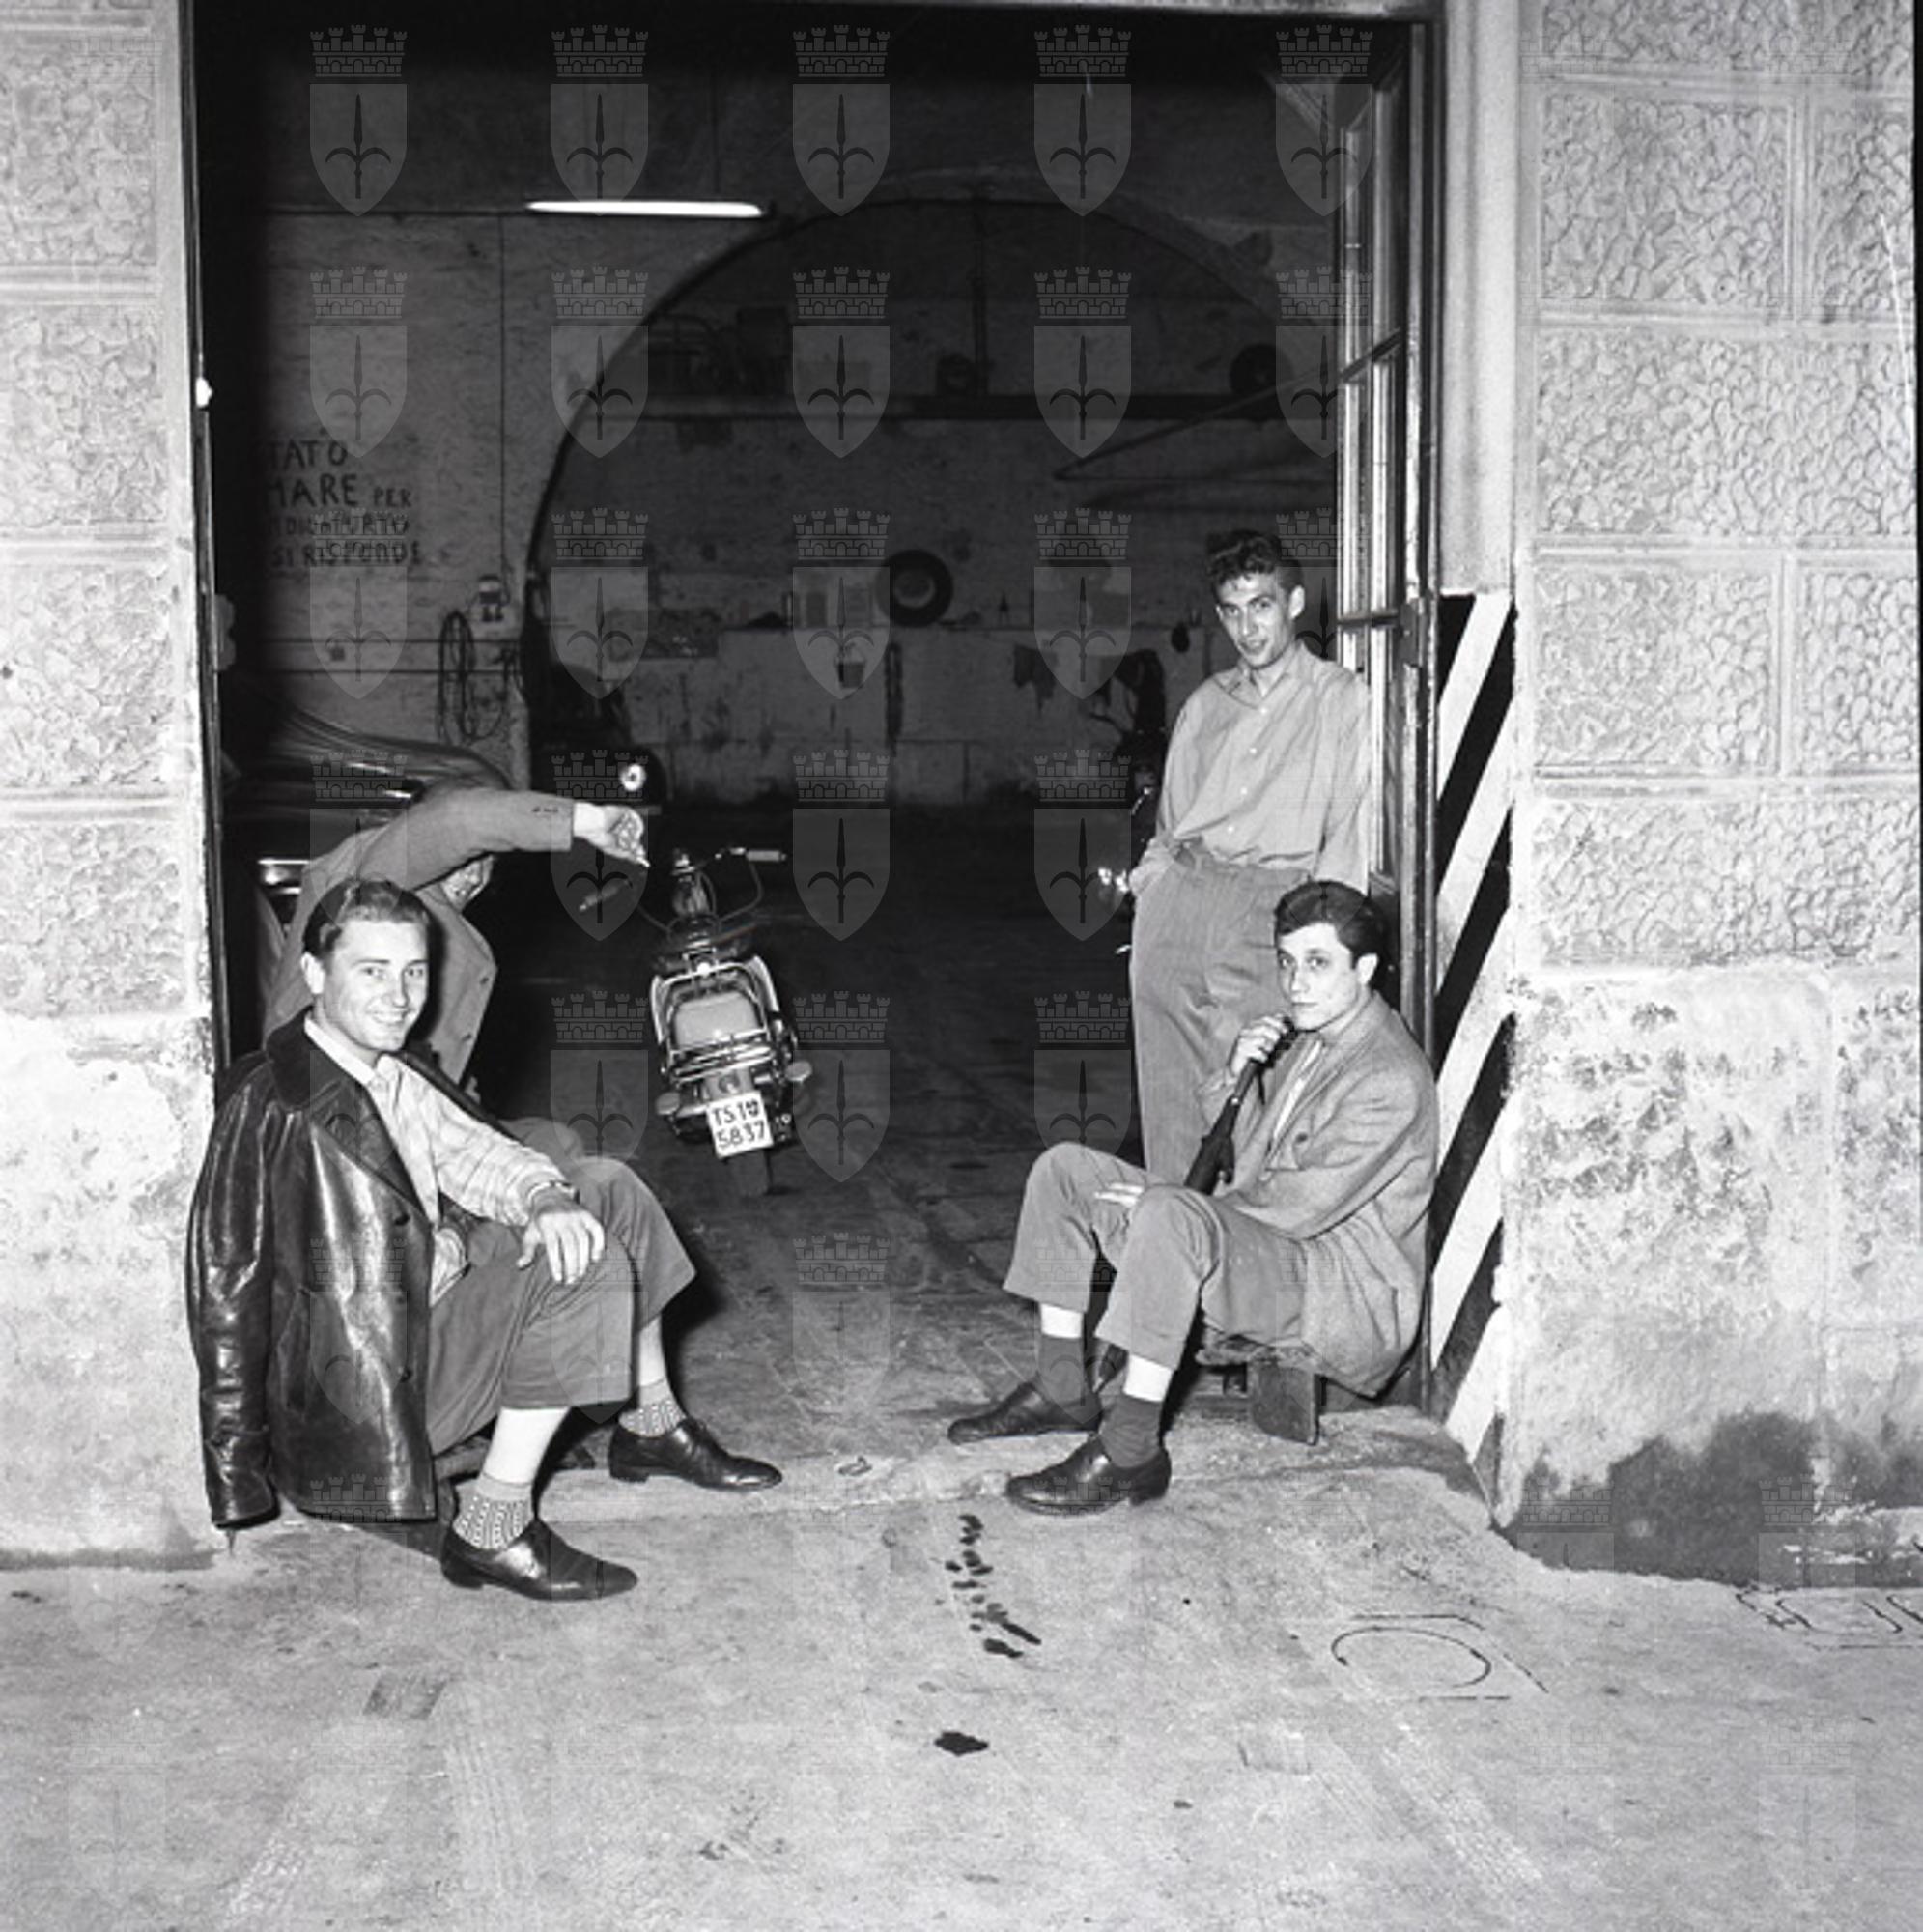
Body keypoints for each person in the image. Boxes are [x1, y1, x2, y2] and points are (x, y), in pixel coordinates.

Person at [188, 878, 779, 1604]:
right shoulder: (272, 1104)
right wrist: (236, 1472)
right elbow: (225, 1289)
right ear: (314, 973)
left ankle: (651, 1425)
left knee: (605, 1190)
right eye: (371, 971)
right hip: (373, 1393)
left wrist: (543, 1197)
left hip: (428, 1326)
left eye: (413, 972)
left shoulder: (390, 1068)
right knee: (586, 1266)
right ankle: (495, 1525)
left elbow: (478, 1153)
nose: (399, 996)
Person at [949, 881, 1435, 1516]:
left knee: (1169, 1214)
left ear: (1364, 969)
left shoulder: (1387, 1076)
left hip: (1335, 1288)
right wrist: (1236, 1077)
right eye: (1287, 962)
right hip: (1280, 1247)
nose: (1295, 984)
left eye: (1318, 963)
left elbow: (1295, 1209)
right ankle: (1064, 1386)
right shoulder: (1319, 1034)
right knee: (1065, 1171)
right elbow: (1256, 1164)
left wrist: (1168, 1208)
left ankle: (1131, 1450)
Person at [1127, 530, 1370, 1179]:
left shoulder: (1339, 698)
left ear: (1293, 603)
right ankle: (1177, 1219)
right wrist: (1153, 888)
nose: (1247, 627)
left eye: (1261, 605)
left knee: (1257, 1083)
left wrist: (1325, 938)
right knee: (1170, 1085)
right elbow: (1171, 824)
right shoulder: (1206, 704)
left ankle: (1248, 1224)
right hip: (1184, 897)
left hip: (1274, 901)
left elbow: (1346, 826)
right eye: (1232, 611)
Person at [261, 781, 649, 1090]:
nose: (474, 875)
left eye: (487, 860)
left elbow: (444, 1070)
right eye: (464, 857)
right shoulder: (375, 876)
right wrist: (584, 821)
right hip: (318, 1113)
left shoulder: (425, 922)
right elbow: (455, 821)